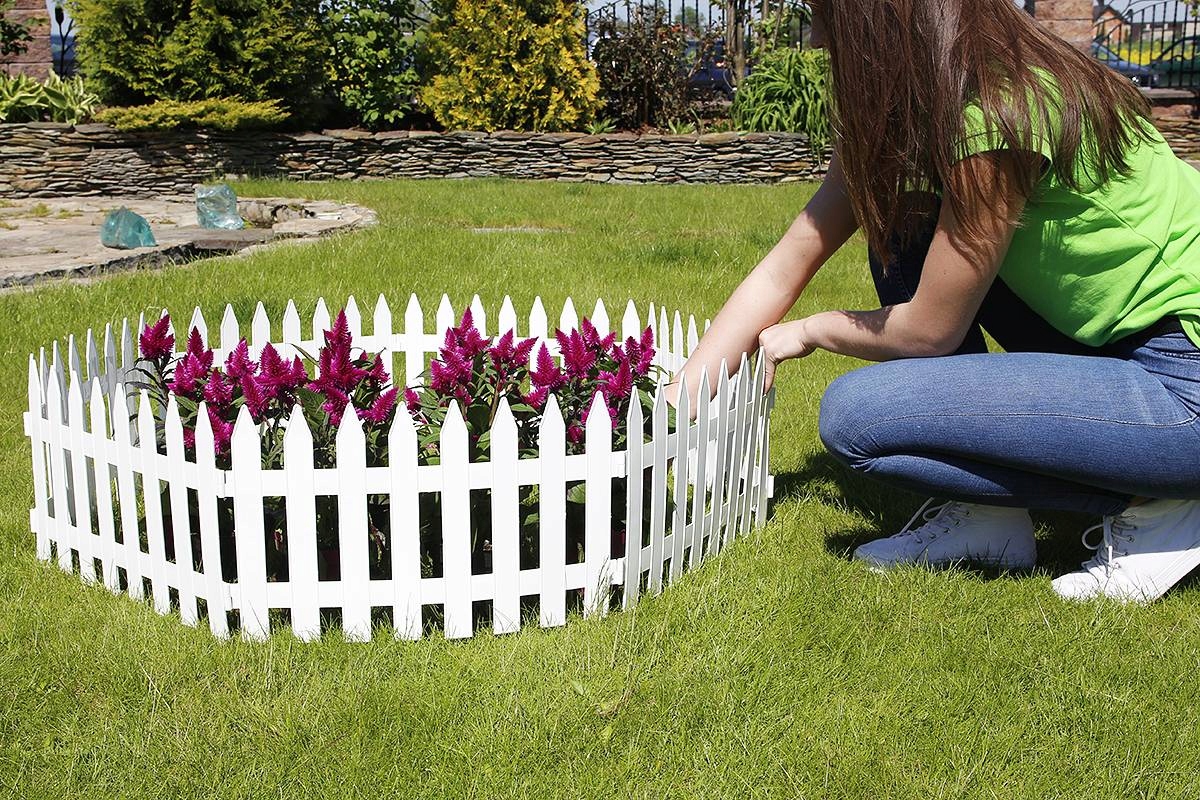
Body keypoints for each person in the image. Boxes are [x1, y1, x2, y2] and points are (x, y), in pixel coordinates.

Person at [672, 0, 1200, 602]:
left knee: (860, 420)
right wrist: (681, 394)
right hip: (1129, 343)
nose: (816, 39)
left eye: (825, 17)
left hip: (1186, 372)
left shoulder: (998, 112)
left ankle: (1165, 499)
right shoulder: (932, 106)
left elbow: (929, 331)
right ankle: (990, 517)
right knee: (901, 228)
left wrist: (811, 329)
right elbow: (787, 262)